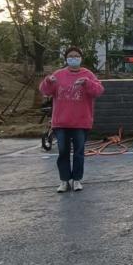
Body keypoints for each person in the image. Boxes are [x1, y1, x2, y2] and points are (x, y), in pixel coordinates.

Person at [39, 47, 105, 193]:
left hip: (81, 122)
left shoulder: (88, 74)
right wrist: (48, 81)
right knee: (63, 152)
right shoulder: (58, 74)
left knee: (79, 152)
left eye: (76, 56)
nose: (73, 58)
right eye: (70, 56)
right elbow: (45, 91)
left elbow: (98, 91)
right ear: (66, 59)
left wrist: (87, 83)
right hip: (61, 122)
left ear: (81, 58)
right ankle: (64, 180)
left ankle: (77, 179)